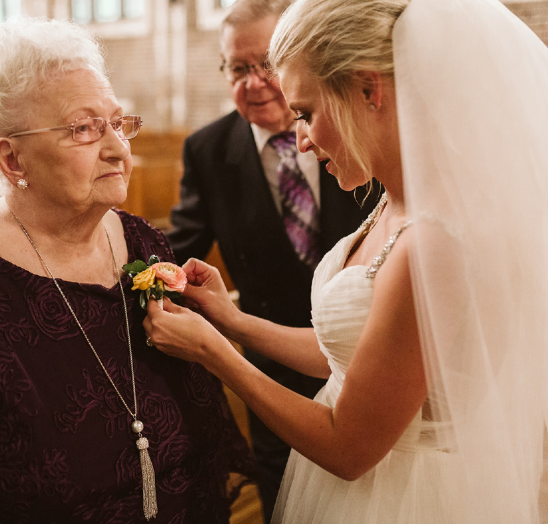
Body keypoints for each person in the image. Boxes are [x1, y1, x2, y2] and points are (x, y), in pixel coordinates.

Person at [144, 0, 548, 522]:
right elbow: (352, 358)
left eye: (306, 113)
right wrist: (233, 321)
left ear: (371, 91)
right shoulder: (398, 199)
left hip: (407, 498)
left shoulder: (434, 244)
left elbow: (349, 449)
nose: (299, 137)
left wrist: (216, 354)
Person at [0, 17, 255, 523]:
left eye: (118, 123)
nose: (118, 148)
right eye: (83, 129)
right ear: (12, 161)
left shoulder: (143, 243)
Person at [164, 0, 378, 518]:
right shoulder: (209, 150)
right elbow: (179, 244)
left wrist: (219, 348)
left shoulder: (363, 144)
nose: (255, 82)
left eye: (265, 65)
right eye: (238, 69)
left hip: (371, 362)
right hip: (274, 368)